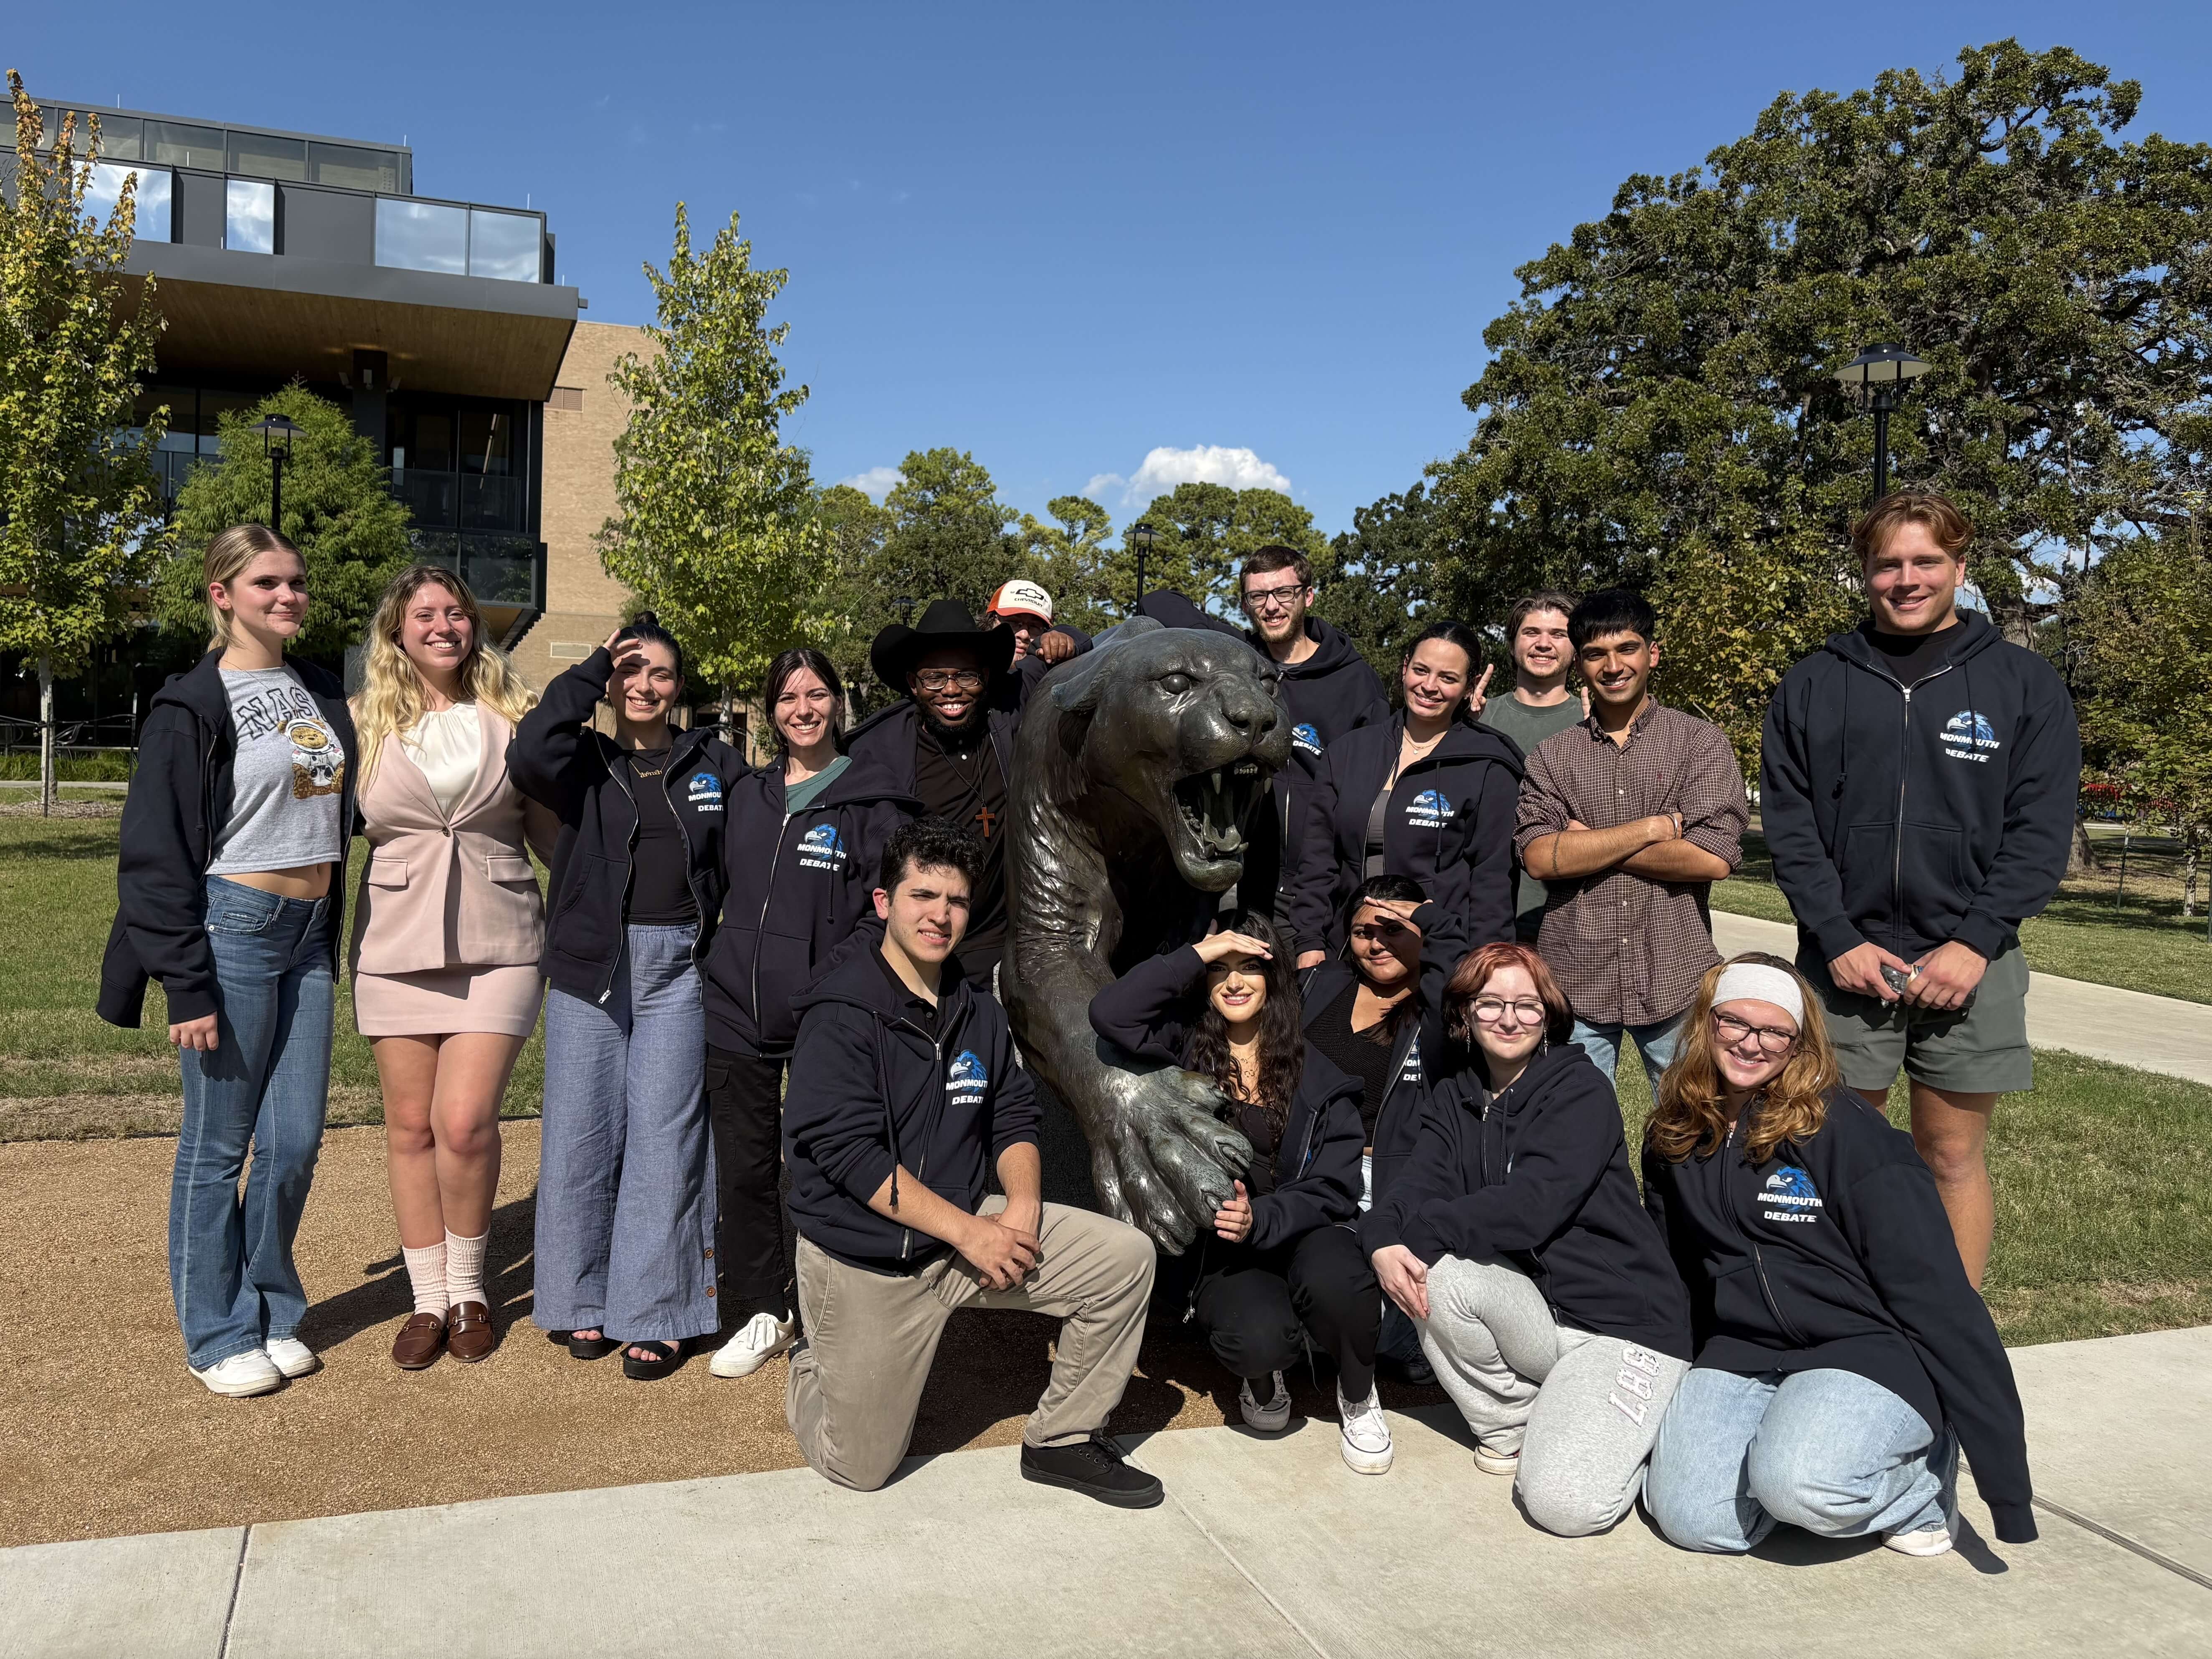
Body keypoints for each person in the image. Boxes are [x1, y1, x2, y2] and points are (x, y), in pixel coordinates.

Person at [782, 819, 1163, 1505]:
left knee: (1124, 1260)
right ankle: (812, 1359)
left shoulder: (977, 1011)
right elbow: (850, 1156)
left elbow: (1012, 1113)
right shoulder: (840, 1011)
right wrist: (972, 1233)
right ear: (883, 902)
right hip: (869, 1260)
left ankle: (1063, 1438)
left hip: (962, 1233)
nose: (940, 914)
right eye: (922, 895)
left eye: (956, 900)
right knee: (859, 1467)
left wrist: (1020, 1210)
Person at [1760, 490, 2079, 1288]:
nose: (1906, 578)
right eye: (1887, 563)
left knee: (1949, 1154)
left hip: (1971, 961)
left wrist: (1973, 942)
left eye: (1925, 561)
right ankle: (1844, 1319)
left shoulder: (2022, 682)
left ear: (1959, 568)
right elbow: (1789, 828)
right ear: (1864, 572)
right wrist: (1836, 938)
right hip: (1844, 963)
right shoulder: (1813, 682)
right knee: (1833, 1150)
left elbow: (2038, 830)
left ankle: (1950, 1332)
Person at [1640, 954, 2037, 1557]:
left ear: (1799, 1042)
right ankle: (1808, 1464)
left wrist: (2007, 1491)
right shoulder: (1676, 1131)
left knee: (1800, 1486)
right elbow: (1673, 1269)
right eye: (1734, 1022)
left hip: (1862, 1347)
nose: (1751, 1043)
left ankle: (1919, 1477)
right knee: (1691, 1517)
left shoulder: (1845, 1133)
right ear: (1706, 1022)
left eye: (1774, 1031)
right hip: (1744, 1348)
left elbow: (1938, 1298)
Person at [98, 525, 356, 1398]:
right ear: (222, 594)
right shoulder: (191, 706)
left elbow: (335, 802)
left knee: (295, 1142)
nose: (288, 596)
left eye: (296, 582)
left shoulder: (318, 689)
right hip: (233, 929)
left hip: (311, 931)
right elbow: (154, 852)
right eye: (267, 583)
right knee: (218, 1146)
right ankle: (215, 1332)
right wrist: (186, 983)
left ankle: (273, 1309)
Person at [1366, 943, 1692, 1537]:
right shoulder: (1455, 1097)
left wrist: (1424, 1231)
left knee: (1563, 1506)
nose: (1509, 1018)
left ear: (1549, 1015)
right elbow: (1415, 1185)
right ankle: (1514, 1423)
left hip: (1620, 1326)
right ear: (1464, 1014)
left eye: (1526, 1004)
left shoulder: (1580, 1090)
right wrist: (1382, 1239)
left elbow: (1531, 1208)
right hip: (1539, 1318)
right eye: (1490, 1003)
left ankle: (1629, 1432)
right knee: (1429, 1273)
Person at [508, 617, 738, 1379]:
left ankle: (658, 1309)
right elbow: (527, 751)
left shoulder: (714, 762)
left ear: (680, 686)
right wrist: (589, 669)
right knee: (580, 1133)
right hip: (591, 965)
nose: (644, 686)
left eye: (660, 673)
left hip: (678, 967)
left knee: (666, 1137)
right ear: (609, 683)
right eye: (629, 672)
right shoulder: (582, 760)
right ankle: (580, 1297)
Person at [1089, 914, 1389, 1474]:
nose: (1233, 981)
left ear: (1274, 978)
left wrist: (1263, 1218)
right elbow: (1109, 1013)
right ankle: (1265, 1376)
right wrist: (1199, 951)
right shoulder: (1180, 1049)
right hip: (1223, 1247)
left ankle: (1357, 1392)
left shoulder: (1319, 1074)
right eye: (1218, 969)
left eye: (1249, 966)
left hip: (1305, 1230)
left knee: (1341, 1285)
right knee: (1257, 1338)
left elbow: (1333, 1187)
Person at [349, 566, 556, 1370]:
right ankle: (427, 1298)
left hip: (501, 938)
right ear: (397, 631)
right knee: (410, 1127)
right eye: (425, 614)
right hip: (394, 943)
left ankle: (469, 1289)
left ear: (475, 625)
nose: (443, 625)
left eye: (457, 612)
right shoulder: (359, 720)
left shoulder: (516, 716)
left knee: (464, 1123)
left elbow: (556, 833)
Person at [701, 648, 916, 1380]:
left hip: (826, 1014)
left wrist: (822, 985)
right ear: (771, 709)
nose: (803, 709)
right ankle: (763, 1308)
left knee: (826, 1162)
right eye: (789, 697)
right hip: (734, 1010)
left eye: (817, 694)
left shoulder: (872, 801)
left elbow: (880, 914)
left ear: (837, 703)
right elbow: (718, 885)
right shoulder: (748, 795)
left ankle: (843, 1304)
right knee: (744, 1168)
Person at [1515, 589, 1747, 1093]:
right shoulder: (1552, 756)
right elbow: (1539, 858)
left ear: (1652, 653)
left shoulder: (1700, 743)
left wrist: (1587, 846)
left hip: (1674, 972)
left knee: (1691, 1124)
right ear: (1579, 664)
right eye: (1596, 654)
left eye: (1627, 648)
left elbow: (1712, 858)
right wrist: (1651, 828)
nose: (1613, 666)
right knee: (1573, 1126)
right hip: (1575, 977)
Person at [1298, 876, 1460, 1384]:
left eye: (1395, 929)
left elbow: (1461, 974)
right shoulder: (1320, 985)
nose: (1377, 943)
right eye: (1364, 931)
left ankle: (1398, 1338)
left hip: (1392, 1181)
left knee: (1390, 1326)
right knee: (1320, 1289)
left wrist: (1431, 921)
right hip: (1313, 1171)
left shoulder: (1440, 1008)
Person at [1286, 620, 1519, 968]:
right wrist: (1309, 941)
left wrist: (1486, 967)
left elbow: (1493, 881)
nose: (1430, 686)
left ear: (1469, 688)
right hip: (1351, 950)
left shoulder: (1488, 765)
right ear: (1405, 667)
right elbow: (1318, 861)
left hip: (1440, 958)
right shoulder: (1350, 752)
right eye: (1421, 670)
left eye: (1448, 678)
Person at [845, 600, 1025, 989]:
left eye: (966, 676)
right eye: (935, 679)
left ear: (986, 678)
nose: (952, 690)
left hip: (998, 954)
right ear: (913, 684)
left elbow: (1065, 667)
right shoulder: (878, 754)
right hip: (917, 954)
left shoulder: (1007, 726)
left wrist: (1068, 639)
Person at [1236, 545, 1390, 922]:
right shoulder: (1236, 668)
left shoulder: (1356, 682)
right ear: (1245, 605)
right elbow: (1163, 604)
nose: (1271, 606)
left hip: (1323, 890)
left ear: (1308, 596)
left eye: (1283, 593)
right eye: (1258, 596)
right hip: (1246, 884)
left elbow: (1376, 789)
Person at [1477, 593, 1584, 941]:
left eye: (1558, 634)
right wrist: (1456, 725)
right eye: (1531, 632)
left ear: (1576, 649)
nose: (1544, 644)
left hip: (1571, 921)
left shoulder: (1595, 723)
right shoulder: (1478, 718)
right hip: (1488, 919)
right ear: (1512, 644)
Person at [985, 578, 1092, 698]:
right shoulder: (970, 671)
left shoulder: (1034, 681)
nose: (1024, 635)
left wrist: (1065, 639)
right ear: (991, 622)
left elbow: (1077, 638)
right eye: (1013, 622)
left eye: (1034, 627)